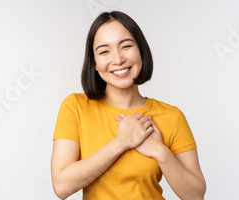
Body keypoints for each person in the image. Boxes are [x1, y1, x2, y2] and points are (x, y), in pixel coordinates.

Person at [51, 11, 206, 200]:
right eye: (104, 51)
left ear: (140, 50)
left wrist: (160, 152)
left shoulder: (172, 116)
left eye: (126, 46)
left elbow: (195, 195)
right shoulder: (75, 107)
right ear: (95, 63)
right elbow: (62, 186)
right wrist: (122, 142)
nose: (118, 59)